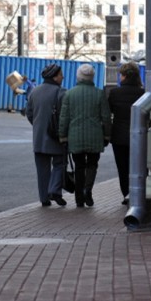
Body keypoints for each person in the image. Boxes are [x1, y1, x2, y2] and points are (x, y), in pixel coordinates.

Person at [58, 64, 111, 208]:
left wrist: (63, 136)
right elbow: (106, 117)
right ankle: (88, 189)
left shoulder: (69, 94)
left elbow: (64, 118)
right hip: (95, 136)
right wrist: (107, 136)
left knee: (79, 166)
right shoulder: (99, 94)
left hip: (75, 136)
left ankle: (79, 197)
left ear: (78, 76)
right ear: (92, 77)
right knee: (92, 165)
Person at [26, 64, 67, 207]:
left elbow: (29, 114)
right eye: (61, 74)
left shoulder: (34, 92)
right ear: (54, 76)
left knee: (42, 169)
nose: (63, 77)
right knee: (60, 163)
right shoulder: (61, 92)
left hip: (39, 138)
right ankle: (54, 189)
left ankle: (44, 198)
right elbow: (65, 115)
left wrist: (38, 126)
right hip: (56, 137)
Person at [108, 62, 145, 205]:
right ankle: (139, 193)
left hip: (119, 137)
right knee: (139, 165)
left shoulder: (115, 93)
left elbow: (109, 111)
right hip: (139, 136)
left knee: (122, 167)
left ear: (123, 76)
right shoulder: (143, 93)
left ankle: (126, 194)